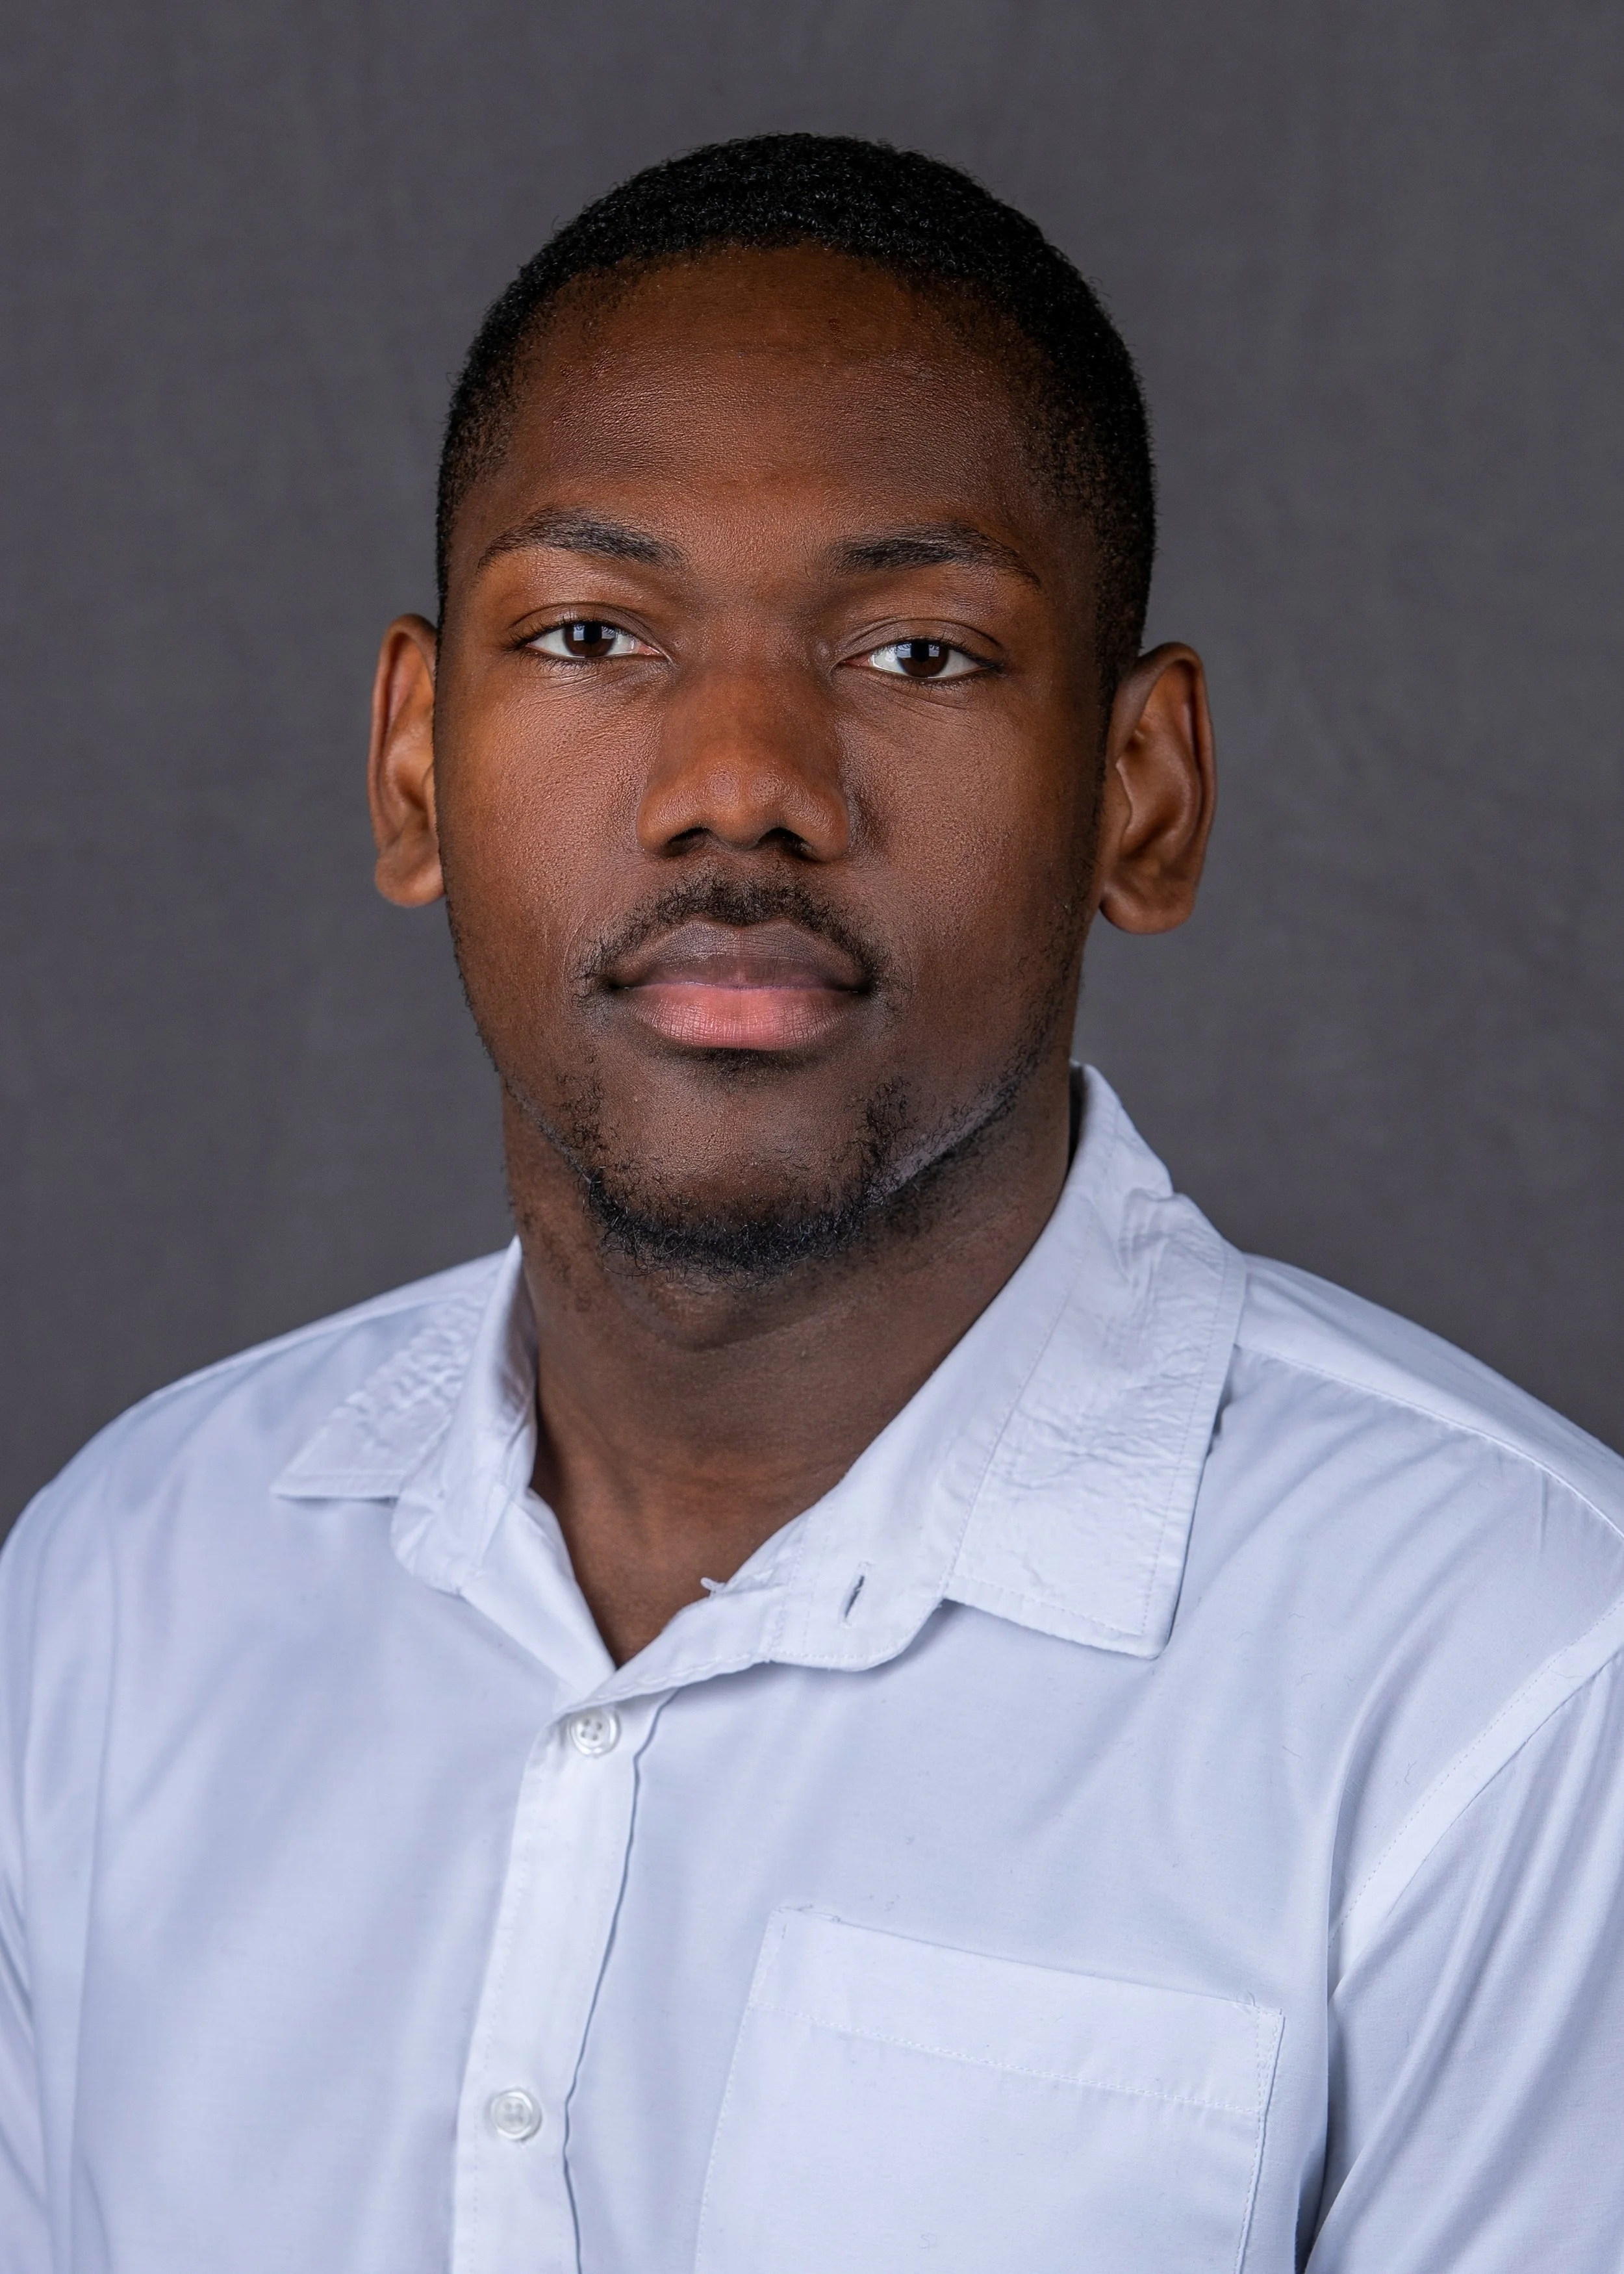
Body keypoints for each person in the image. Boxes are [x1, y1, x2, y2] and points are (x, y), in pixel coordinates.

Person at [3, 133, 1622, 2274]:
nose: (739, 779)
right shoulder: (123, 1595)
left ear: (1142, 794)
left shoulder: (1518, 1684)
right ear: (413, 763)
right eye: (591, 632)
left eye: (919, 656)